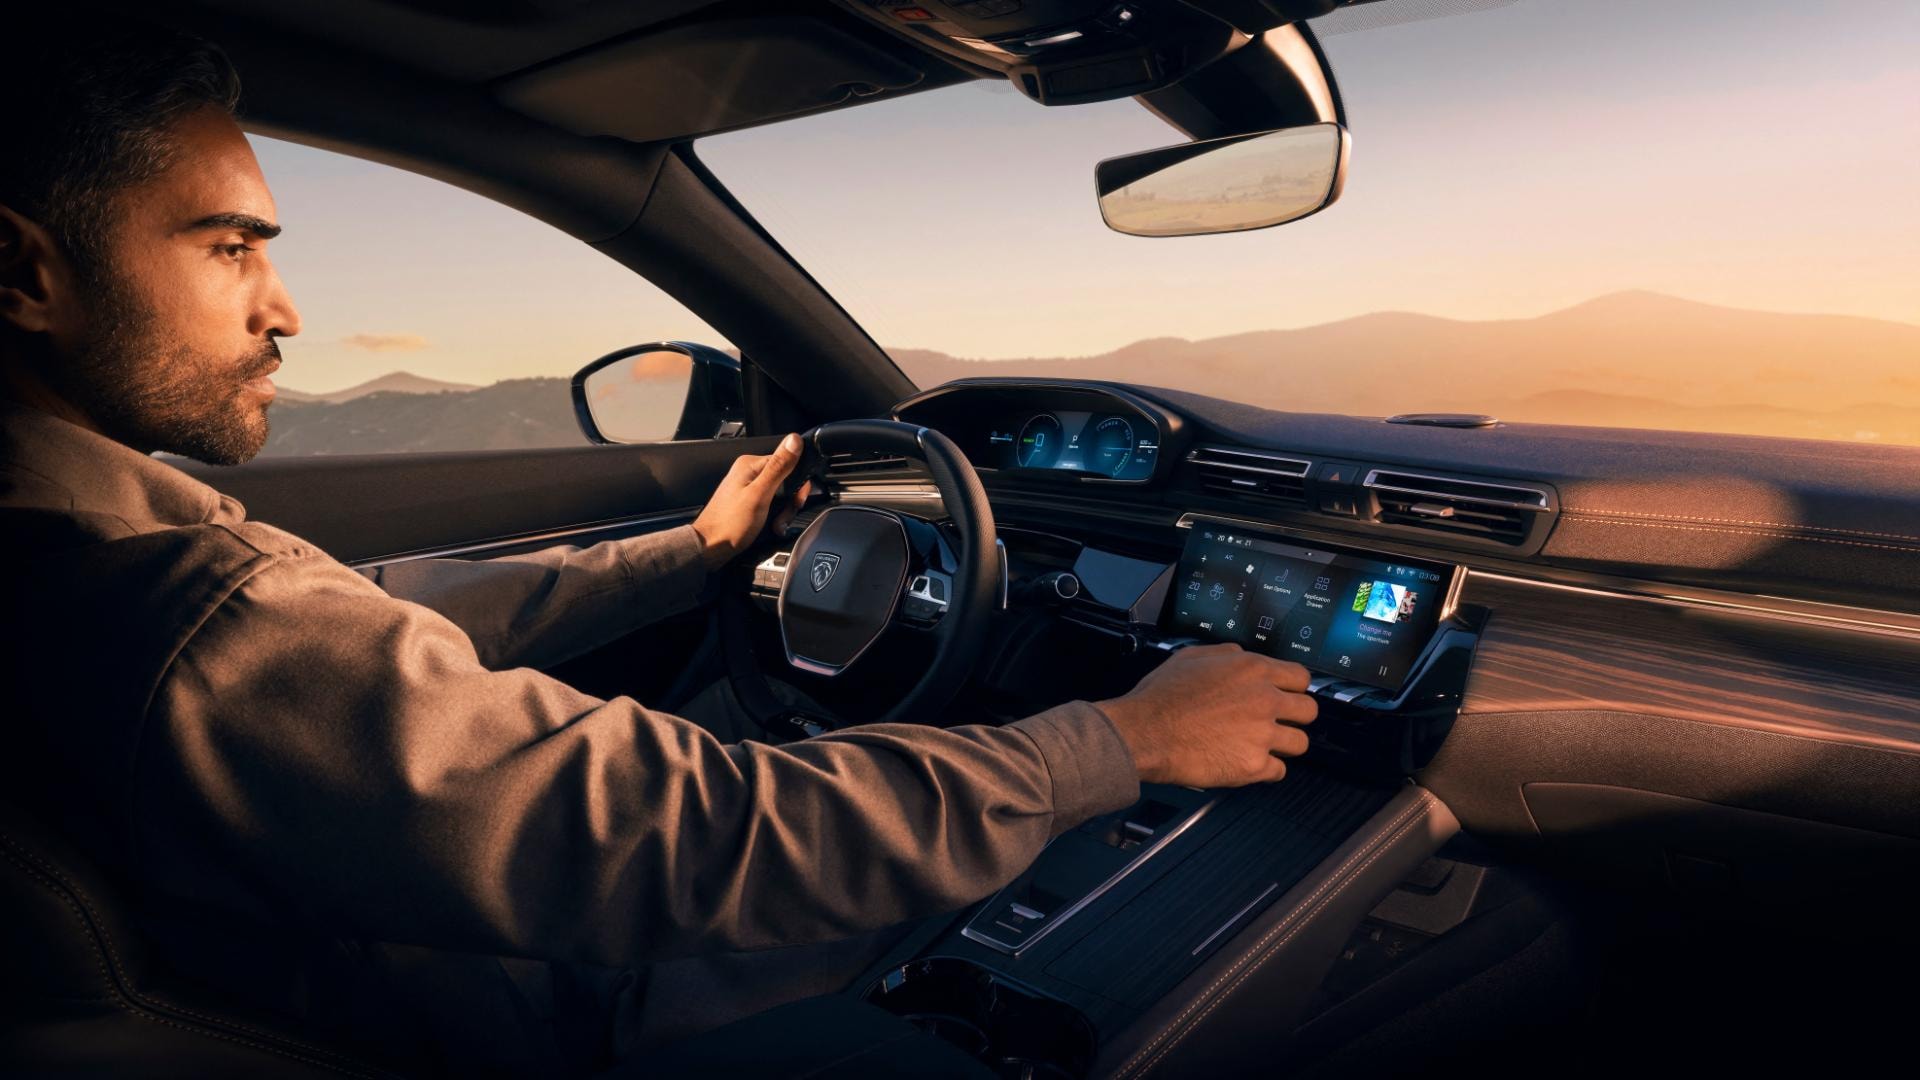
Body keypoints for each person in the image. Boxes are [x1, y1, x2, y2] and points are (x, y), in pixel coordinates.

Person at [0, 17, 1319, 1076]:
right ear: (22, 275)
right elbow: (695, 833)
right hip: (525, 1018)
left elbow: (372, 615)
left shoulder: (93, 559)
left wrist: (694, 553)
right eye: (230, 247)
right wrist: (1123, 745)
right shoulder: (180, 611)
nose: (284, 308)